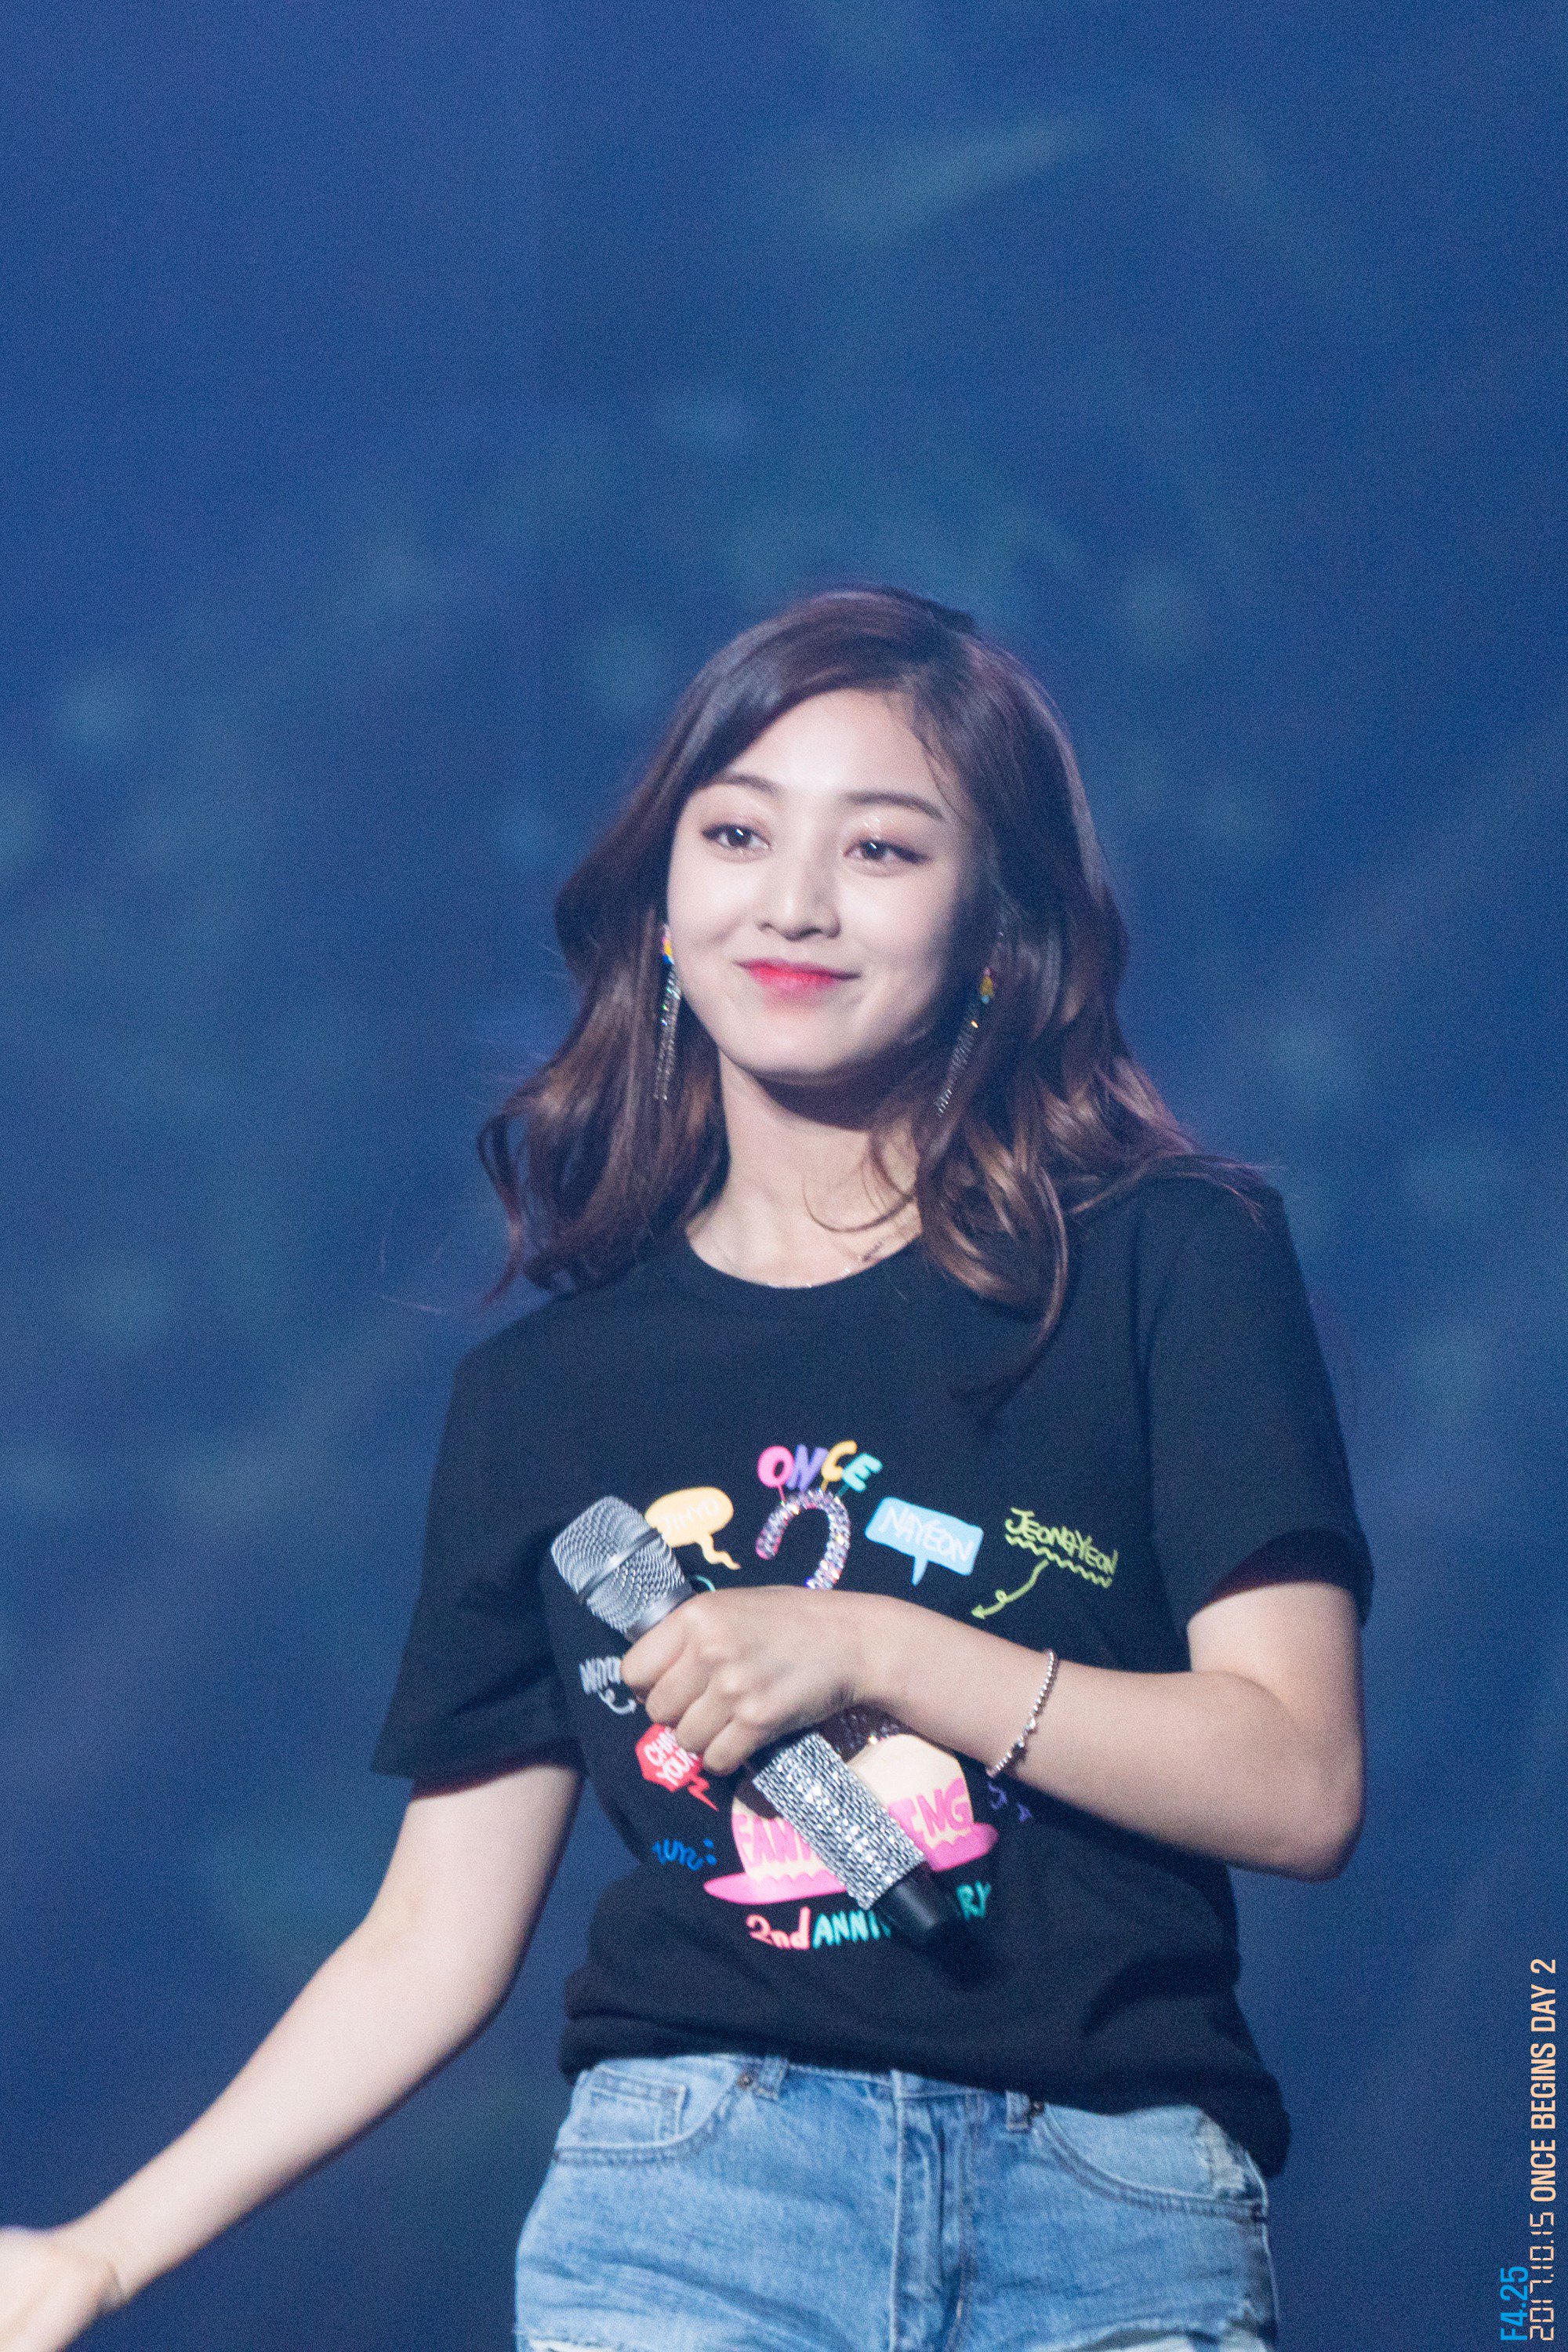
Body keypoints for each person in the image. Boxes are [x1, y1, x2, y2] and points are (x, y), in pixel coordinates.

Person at [0, 584, 1371, 2352]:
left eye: (881, 850)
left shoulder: (1168, 1262)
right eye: (735, 834)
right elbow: (430, 1937)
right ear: (659, 907)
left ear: (1000, 928)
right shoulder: (546, 1402)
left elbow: (1297, 1783)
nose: (792, 901)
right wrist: (98, 2256)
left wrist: (872, 1646)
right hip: (696, 2205)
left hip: (1112, 2208)